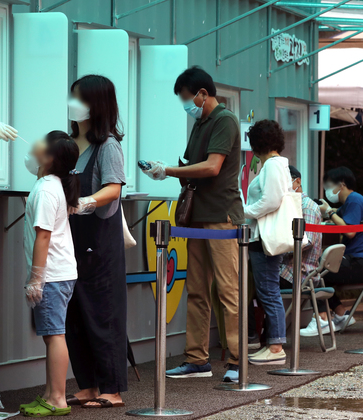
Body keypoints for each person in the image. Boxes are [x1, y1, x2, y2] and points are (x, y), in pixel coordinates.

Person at [143, 67, 242, 382]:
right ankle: (197, 359)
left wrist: (169, 171)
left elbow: (213, 167)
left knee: (227, 289)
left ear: (203, 93)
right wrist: (167, 170)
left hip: (221, 214)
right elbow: (191, 165)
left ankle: (238, 361)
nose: (187, 105)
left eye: (188, 99)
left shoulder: (224, 120)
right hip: (198, 214)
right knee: (197, 288)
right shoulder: (200, 123)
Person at [65, 75, 128, 409]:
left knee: (103, 313)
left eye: (78, 97)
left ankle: (112, 388)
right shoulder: (70, 143)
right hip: (70, 240)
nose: (71, 103)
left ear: (95, 104)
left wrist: (88, 202)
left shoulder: (108, 146)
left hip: (99, 243)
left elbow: (114, 187)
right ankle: (87, 384)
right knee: (74, 313)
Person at [19, 131, 80, 417]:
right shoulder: (52, 184)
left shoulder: (45, 189)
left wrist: (36, 278)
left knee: (54, 335)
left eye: (41, 143)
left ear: (50, 157)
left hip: (53, 275)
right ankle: (49, 394)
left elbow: (43, 237)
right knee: (51, 334)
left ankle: (57, 398)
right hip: (59, 274)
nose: (35, 145)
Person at [247, 165, 323, 349]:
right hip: (288, 268)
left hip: (299, 272)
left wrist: (277, 246)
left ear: (297, 181)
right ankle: (260, 335)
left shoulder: (307, 206)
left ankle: (254, 337)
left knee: (250, 285)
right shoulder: (289, 203)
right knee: (251, 281)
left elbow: (308, 242)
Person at [300, 166, 363, 336]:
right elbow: (335, 219)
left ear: (341, 184)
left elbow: (349, 231)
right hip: (359, 260)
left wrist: (328, 211)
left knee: (315, 272)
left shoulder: (354, 200)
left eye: (328, 186)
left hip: (361, 263)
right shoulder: (349, 203)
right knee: (323, 269)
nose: (327, 190)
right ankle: (341, 314)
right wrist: (327, 212)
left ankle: (322, 319)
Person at [241, 119, 291, 365]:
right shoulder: (278, 164)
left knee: (268, 291)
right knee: (269, 291)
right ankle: (274, 344)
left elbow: (270, 202)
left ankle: (275, 346)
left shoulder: (271, 166)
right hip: (265, 236)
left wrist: (244, 211)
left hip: (263, 237)